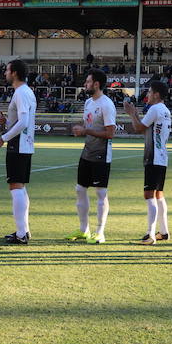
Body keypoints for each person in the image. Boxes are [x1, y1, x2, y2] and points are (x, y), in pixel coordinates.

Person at [67, 69, 116, 244]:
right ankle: (84, 230)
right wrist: (81, 128)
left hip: (101, 155)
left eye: (88, 82)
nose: (85, 84)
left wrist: (86, 130)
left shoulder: (106, 104)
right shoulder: (88, 102)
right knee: (80, 189)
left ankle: (100, 232)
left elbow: (110, 133)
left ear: (96, 84)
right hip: (87, 152)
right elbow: (88, 125)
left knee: (101, 193)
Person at [0, 60, 37, 244]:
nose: (5, 74)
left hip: (18, 145)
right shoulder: (25, 92)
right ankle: (23, 231)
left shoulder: (21, 92)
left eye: (7, 70)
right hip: (23, 144)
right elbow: (21, 121)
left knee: (15, 186)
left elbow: (24, 122)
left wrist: (3, 138)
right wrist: (6, 123)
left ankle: (21, 233)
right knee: (20, 187)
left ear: (15, 73)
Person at [123, 80, 171, 245]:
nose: (147, 95)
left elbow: (138, 128)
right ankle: (163, 232)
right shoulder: (164, 110)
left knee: (149, 194)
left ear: (156, 94)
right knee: (159, 195)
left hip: (153, 157)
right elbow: (145, 127)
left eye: (149, 92)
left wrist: (131, 114)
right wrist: (135, 114)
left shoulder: (155, 109)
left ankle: (150, 235)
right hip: (162, 157)